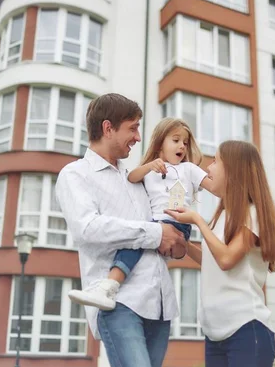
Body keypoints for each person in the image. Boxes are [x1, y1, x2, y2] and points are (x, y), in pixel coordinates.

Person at [56, 93, 187, 367]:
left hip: (160, 304)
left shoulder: (137, 178)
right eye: (133, 128)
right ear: (108, 128)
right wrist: (155, 234)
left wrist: (176, 243)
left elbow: (162, 233)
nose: (138, 137)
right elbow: (87, 228)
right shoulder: (75, 175)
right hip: (119, 305)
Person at [165, 140, 275, 367]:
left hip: (246, 330)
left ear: (234, 169)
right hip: (215, 334)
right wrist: (183, 244)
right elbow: (212, 260)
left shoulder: (253, 214)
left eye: (216, 161)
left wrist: (197, 221)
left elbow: (227, 259)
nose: (210, 166)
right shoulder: (222, 216)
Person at [68, 117, 214, 310]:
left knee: (141, 241)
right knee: (135, 242)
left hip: (178, 225)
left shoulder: (188, 169)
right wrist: (150, 166)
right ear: (160, 143)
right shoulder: (150, 171)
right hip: (154, 226)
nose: (182, 146)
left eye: (185, 143)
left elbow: (215, 188)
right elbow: (131, 177)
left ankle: (108, 286)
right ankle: (109, 286)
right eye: (176, 140)